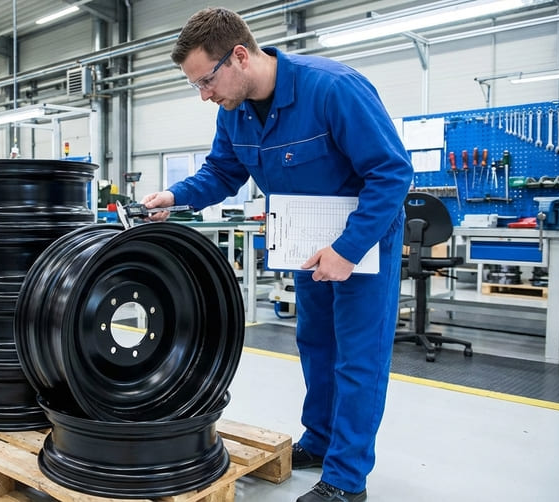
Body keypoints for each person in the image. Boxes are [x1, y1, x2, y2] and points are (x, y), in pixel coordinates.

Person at [140, 7, 413, 502]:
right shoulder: (234, 112)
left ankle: (346, 481)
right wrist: (175, 197)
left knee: (358, 357)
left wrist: (348, 249)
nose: (204, 95)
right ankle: (322, 439)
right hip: (306, 243)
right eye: (196, 86)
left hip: (362, 243)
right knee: (316, 344)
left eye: (205, 81)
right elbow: (222, 173)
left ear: (239, 56)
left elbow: (392, 173)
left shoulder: (333, 89)